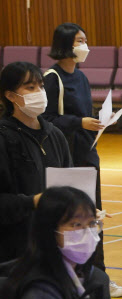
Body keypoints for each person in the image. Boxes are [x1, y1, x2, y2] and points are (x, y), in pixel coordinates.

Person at [43, 23, 122, 296]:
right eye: (80, 41)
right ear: (66, 44)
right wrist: (79, 122)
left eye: (85, 40)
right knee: (70, 220)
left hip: (89, 153)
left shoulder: (81, 76)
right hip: (68, 158)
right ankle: (68, 276)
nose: (85, 46)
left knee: (94, 217)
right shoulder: (52, 78)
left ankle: (98, 276)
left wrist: (100, 122)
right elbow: (47, 121)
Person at [0, 61, 72, 263]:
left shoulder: (55, 134)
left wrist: (83, 208)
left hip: (52, 242)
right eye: (30, 87)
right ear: (10, 95)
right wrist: (32, 201)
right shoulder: (4, 138)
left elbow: (69, 183)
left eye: (41, 86)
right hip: (14, 248)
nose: (39, 92)